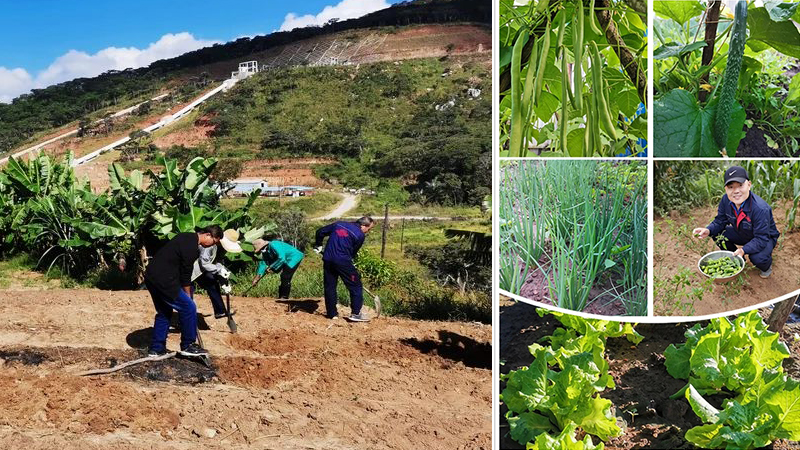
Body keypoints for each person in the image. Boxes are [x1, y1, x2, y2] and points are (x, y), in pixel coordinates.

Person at [145, 225, 223, 357]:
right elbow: (185, 275)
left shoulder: (185, 237)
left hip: (151, 277)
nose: (211, 246)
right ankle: (188, 345)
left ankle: (156, 349)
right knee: (189, 307)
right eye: (213, 242)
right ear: (208, 235)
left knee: (164, 312)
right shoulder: (192, 247)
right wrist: (188, 295)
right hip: (164, 279)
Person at [692, 166, 780, 278]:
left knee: (757, 257)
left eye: (740, 185)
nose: (736, 191)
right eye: (731, 187)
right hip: (743, 232)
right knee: (717, 234)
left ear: (749, 184)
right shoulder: (726, 200)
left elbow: (761, 238)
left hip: (765, 237)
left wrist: (744, 249)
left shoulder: (760, 209)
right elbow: (720, 221)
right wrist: (708, 230)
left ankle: (766, 267)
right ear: (725, 189)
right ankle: (737, 257)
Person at [314, 216, 375, 321]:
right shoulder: (360, 235)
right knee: (355, 286)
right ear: (363, 226)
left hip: (328, 259)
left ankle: (332, 314)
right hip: (343, 262)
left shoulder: (338, 224)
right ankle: (356, 314)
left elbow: (320, 232)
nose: (368, 232)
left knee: (330, 286)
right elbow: (352, 253)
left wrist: (318, 245)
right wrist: (349, 262)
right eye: (369, 229)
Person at [191, 229, 242, 319]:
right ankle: (185, 320)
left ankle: (220, 311)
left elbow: (218, 262)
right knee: (188, 293)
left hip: (204, 269)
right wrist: (219, 269)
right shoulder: (209, 246)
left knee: (213, 283)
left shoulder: (220, 248)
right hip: (193, 268)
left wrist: (223, 282)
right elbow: (205, 264)